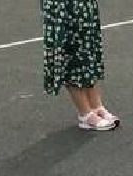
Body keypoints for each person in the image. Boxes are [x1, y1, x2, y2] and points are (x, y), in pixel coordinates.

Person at [42, 0, 118, 131]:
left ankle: (96, 106)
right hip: (62, 6)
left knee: (88, 50)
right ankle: (85, 113)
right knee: (69, 53)